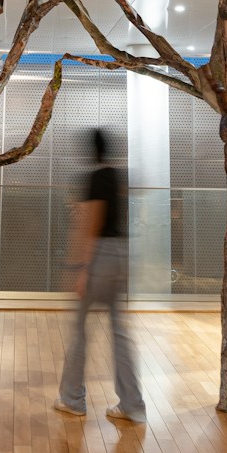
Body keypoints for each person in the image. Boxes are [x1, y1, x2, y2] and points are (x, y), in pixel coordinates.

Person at [54, 127, 145, 424]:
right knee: (120, 333)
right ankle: (132, 404)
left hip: (100, 258)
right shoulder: (119, 177)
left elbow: (90, 225)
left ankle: (72, 399)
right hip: (122, 255)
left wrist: (80, 268)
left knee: (79, 329)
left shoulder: (93, 179)